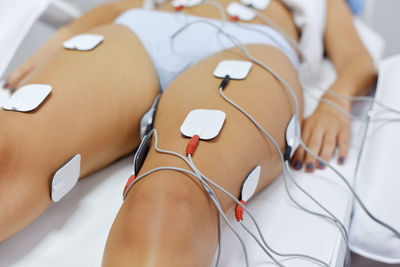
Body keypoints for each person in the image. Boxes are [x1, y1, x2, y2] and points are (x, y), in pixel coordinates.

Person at [0, 0, 376, 265]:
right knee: (7, 152)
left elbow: (357, 59)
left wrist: (335, 103)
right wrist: (65, 35)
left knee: (168, 206)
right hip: (144, 32)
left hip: (251, 48)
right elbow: (121, 6)